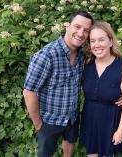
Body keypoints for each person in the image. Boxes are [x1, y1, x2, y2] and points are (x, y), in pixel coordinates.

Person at [23, 11, 94, 157]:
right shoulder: (46, 55)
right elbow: (29, 91)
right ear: (67, 26)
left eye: (86, 30)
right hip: (49, 120)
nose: (81, 33)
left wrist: (119, 95)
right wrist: (38, 124)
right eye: (77, 26)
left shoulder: (82, 55)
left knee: (69, 143)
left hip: (72, 117)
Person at [80, 21, 122, 157]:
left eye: (101, 40)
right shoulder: (86, 65)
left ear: (111, 41)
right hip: (90, 121)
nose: (97, 45)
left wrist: (120, 131)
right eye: (92, 41)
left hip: (110, 124)